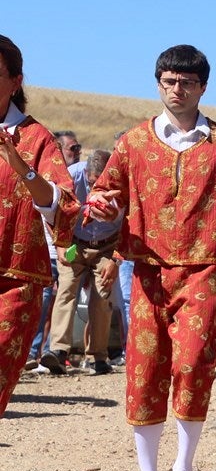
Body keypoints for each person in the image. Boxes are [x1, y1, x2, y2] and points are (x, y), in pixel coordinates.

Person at [88, 44, 216, 471]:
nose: (177, 89)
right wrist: (104, 208)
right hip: (145, 269)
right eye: (169, 81)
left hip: (206, 267)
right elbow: (105, 192)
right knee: (144, 371)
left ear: (203, 87)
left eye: (187, 82)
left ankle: (182, 470)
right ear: (158, 84)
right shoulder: (132, 142)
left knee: (191, 365)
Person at [0, 35, 79, 414]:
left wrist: (23, 170)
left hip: (16, 278)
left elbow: (62, 203)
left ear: (16, 81)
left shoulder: (37, 137)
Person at [46, 150, 123, 375]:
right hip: (73, 245)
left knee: (102, 295)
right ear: (86, 173)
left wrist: (116, 261)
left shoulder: (122, 184)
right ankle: (58, 352)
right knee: (66, 290)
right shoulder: (71, 176)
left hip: (107, 246)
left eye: (100, 185)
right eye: (90, 183)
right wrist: (59, 245)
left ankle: (98, 357)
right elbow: (50, 212)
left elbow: (130, 225)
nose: (94, 190)